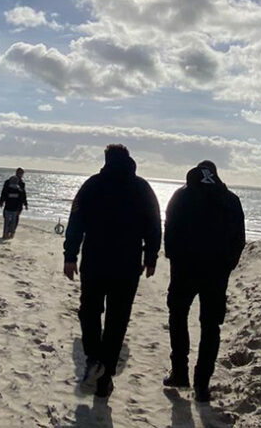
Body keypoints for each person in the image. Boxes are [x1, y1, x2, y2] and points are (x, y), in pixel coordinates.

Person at [63, 144, 162, 398]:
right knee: (118, 319)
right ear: (129, 160)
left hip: (95, 259)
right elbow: (154, 223)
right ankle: (104, 377)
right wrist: (151, 256)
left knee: (89, 310)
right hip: (127, 263)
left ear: (106, 160)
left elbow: (76, 221)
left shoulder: (92, 184)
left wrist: (70, 255)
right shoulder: (142, 187)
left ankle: (94, 358)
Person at [162, 160, 245, 403]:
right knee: (211, 326)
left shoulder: (181, 196)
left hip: (185, 270)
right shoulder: (230, 200)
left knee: (178, 317)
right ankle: (202, 384)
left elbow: (170, 229)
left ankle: (179, 372)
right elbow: (239, 238)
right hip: (216, 273)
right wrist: (228, 265)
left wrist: (173, 258)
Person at [0, 168, 27, 240]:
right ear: (16, 173)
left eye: (21, 173)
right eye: (19, 173)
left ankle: (11, 232)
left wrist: (25, 204)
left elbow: (23, 195)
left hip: (18, 205)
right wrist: (1, 201)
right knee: (6, 218)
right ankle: (6, 232)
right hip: (8, 203)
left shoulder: (22, 184)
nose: (20, 175)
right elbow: (4, 192)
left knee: (15, 219)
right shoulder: (8, 182)